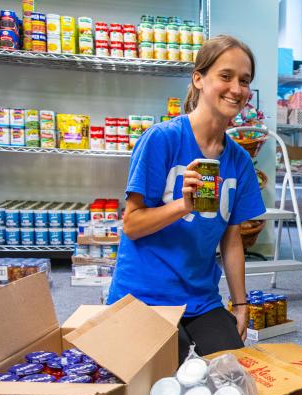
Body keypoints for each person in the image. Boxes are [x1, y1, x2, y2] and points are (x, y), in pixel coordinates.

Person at [107, 35, 266, 362]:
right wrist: (182, 206)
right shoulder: (162, 140)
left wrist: (240, 304)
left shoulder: (238, 160)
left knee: (232, 378)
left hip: (201, 298)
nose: (236, 88)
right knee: (163, 385)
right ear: (198, 78)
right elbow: (133, 225)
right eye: (226, 76)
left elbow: (232, 237)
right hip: (143, 297)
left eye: (244, 80)